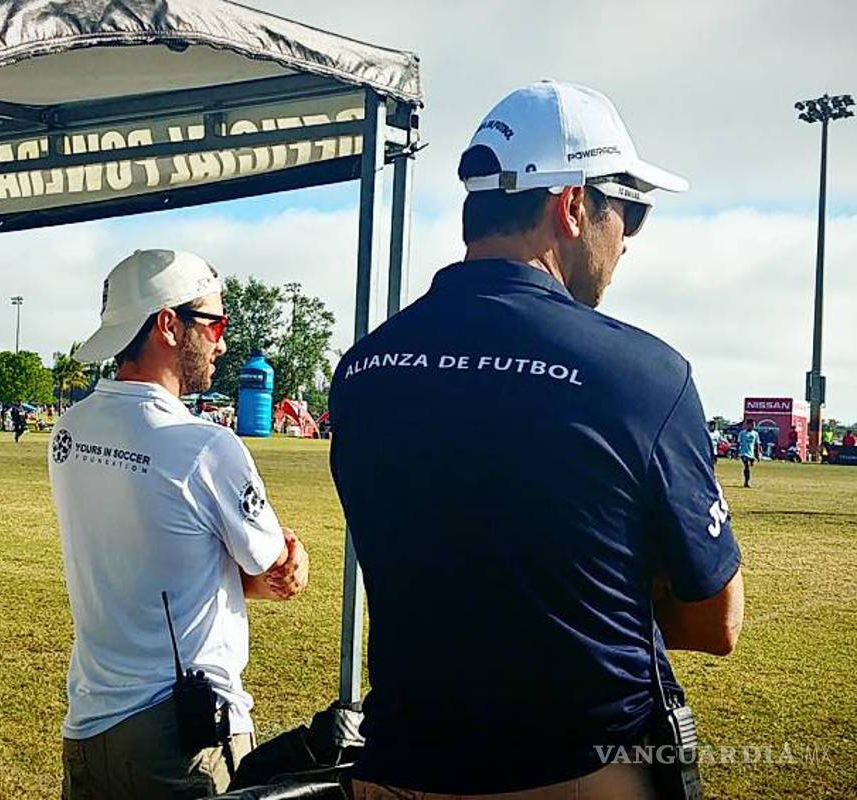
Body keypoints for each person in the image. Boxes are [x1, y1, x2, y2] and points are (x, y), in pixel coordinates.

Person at [329, 81, 743, 799]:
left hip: (397, 768)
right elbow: (716, 620)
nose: (628, 241)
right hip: (577, 770)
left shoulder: (364, 369)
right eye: (631, 212)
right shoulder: (643, 374)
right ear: (574, 205)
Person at [48, 249, 309, 800]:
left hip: (89, 723)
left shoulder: (69, 431)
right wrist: (293, 560)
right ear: (168, 324)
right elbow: (271, 566)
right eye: (214, 322)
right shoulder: (203, 445)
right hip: (181, 738)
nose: (221, 339)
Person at [738, 419, 760, 488]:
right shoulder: (742, 433)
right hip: (743, 453)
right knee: (746, 466)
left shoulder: (755, 434)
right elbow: (738, 443)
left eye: (754, 425)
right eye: (752, 425)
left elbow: (756, 445)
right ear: (747, 425)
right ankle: (746, 482)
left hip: (751, 454)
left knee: (750, 466)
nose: (753, 426)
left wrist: (757, 455)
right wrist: (736, 453)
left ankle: (747, 480)